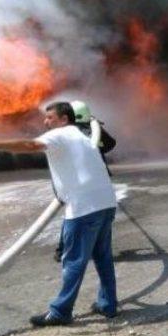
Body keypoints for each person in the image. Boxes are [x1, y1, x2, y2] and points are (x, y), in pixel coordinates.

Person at [0, 101, 118, 327]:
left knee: (73, 262)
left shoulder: (60, 135)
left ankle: (61, 311)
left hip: (83, 208)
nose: (45, 121)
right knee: (103, 257)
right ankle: (108, 304)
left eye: (50, 117)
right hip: (106, 203)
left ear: (64, 119)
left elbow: (31, 145)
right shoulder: (81, 135)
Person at [53, 100, 117, 262]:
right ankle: (98, 250)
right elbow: (110, 144)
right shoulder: (91, 131)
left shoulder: (67, 134)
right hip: (98, 180)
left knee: (73, 214)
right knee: (100, 214)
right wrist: (96, 127)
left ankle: (62, 251)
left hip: (77, 183)